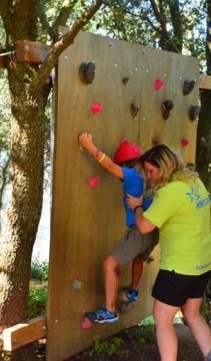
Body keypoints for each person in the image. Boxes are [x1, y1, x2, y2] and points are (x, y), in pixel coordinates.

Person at [126, 144, 211, 360]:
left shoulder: (169, 193)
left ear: (163, 167)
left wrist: (137, 206)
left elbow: (145, 226)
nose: (150, 177)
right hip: (202, 264)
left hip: (178, 268)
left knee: (162, 320)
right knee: (192, 314)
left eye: (152, 172)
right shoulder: (193, 181)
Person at [78, 132, 158, 324]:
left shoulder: (130, 175)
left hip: (138, 232)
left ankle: (109, 310)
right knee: (139, 258)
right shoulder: (150, 177)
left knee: (109, 265)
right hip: (153, 232)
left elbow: (108, 165)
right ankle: (133, 291)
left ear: (125, 164)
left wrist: (89, 145)